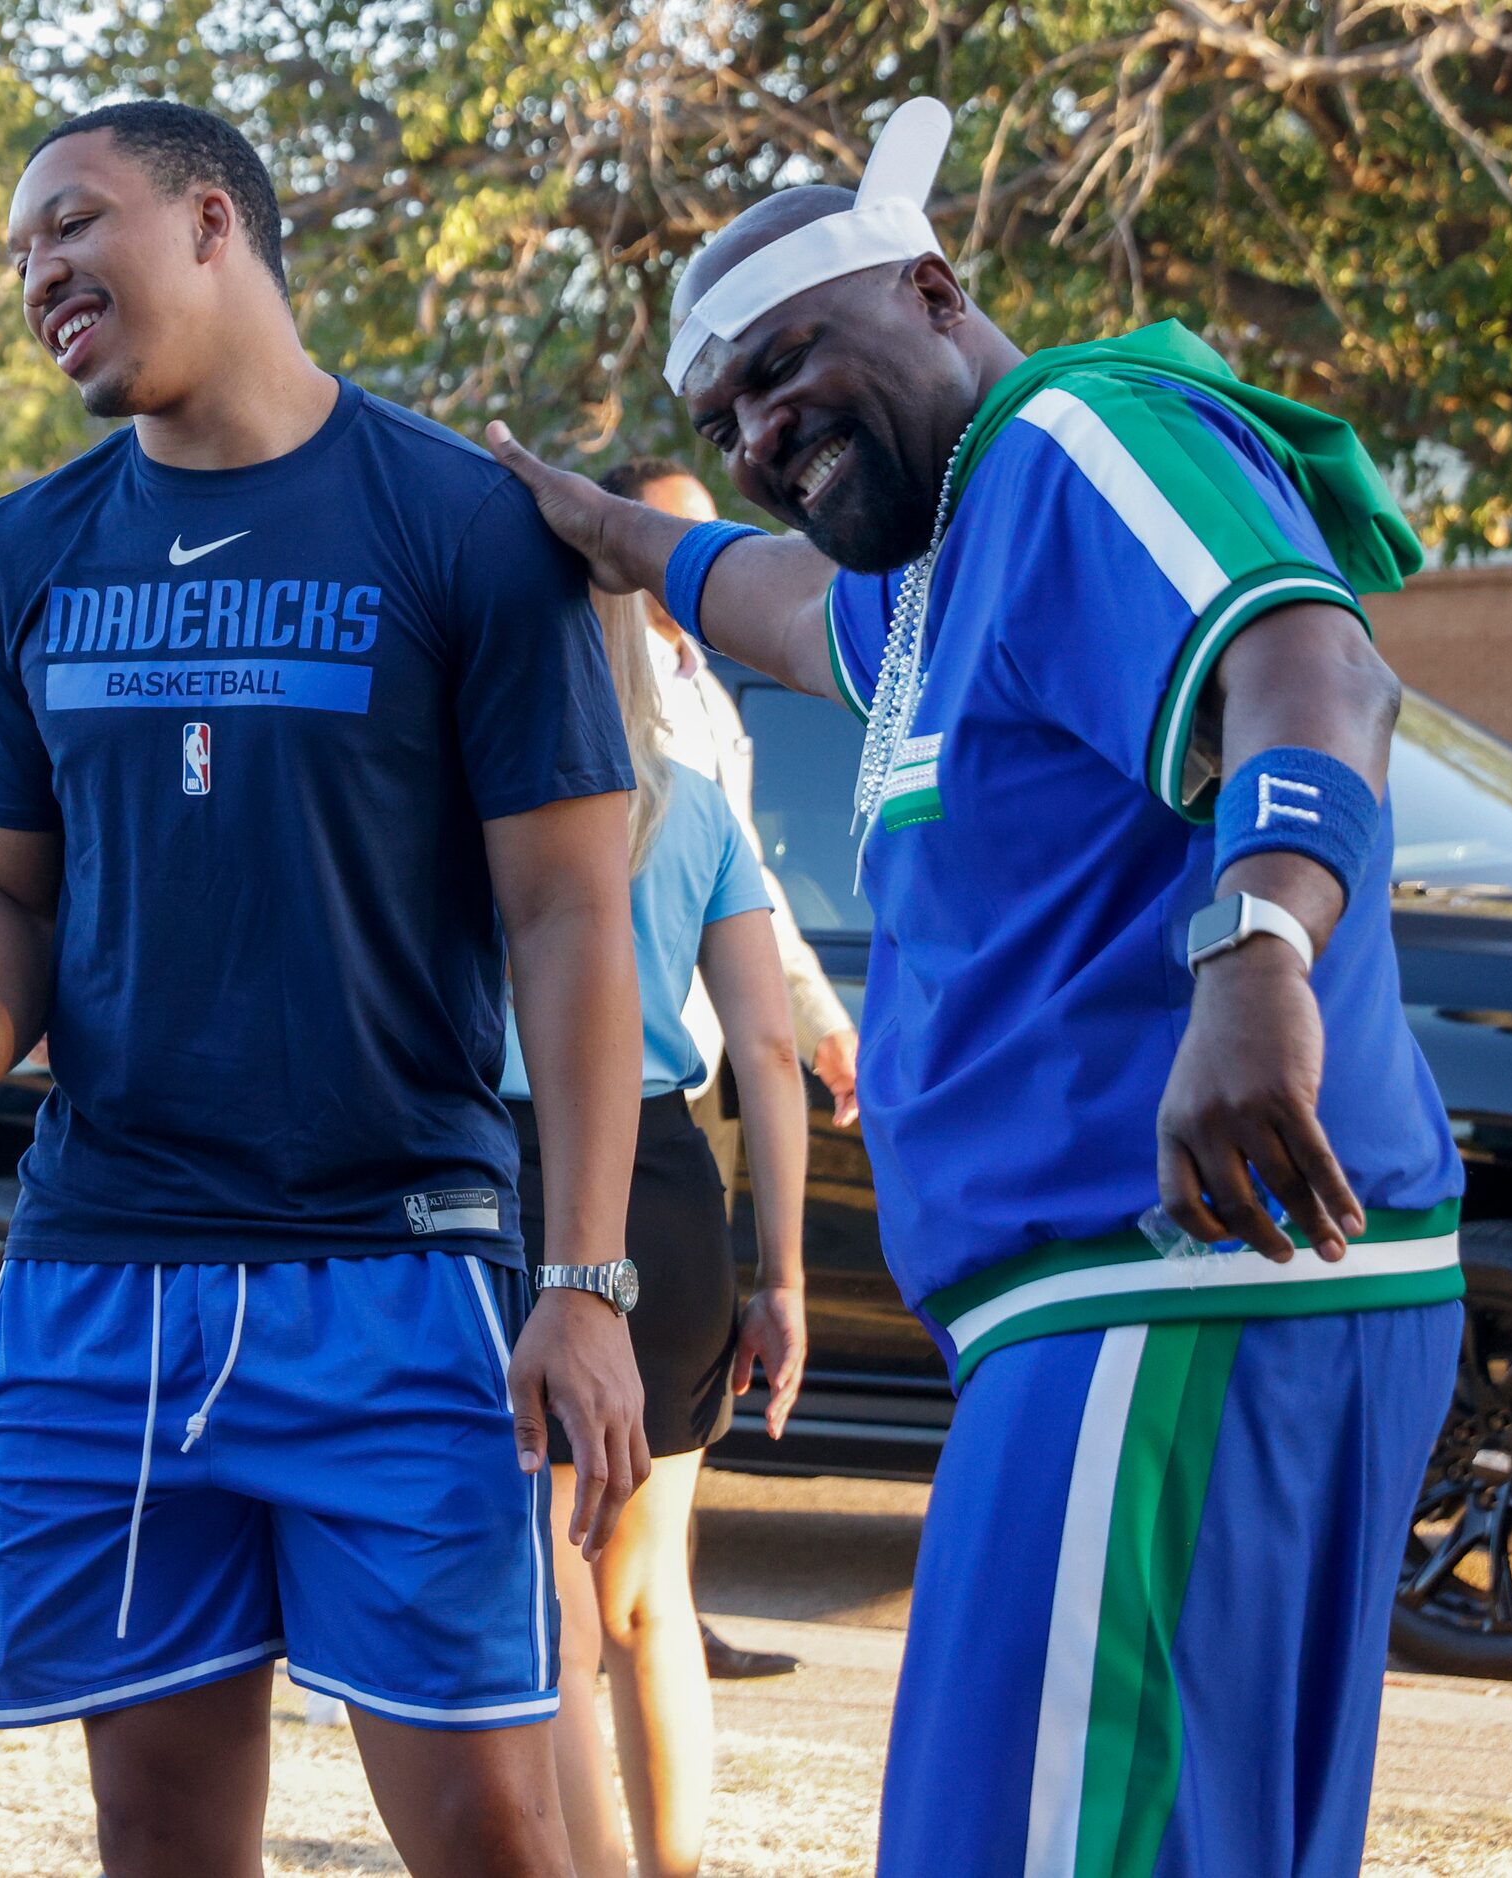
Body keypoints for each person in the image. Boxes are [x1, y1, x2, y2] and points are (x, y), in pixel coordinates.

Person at [487, 95, 1460, 1878]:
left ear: (933, 289)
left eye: (785, 367)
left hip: (1161, 1290)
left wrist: (1260, 953)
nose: (764, 434)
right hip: (1137, 1309)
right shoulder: (932, 578)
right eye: (723, 420)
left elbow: (1314, 669)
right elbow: (781, 606)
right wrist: (612, 535)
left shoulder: (1070, 438)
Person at [0, 101, 648, 1877]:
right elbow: (0, 878)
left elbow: (569, 913)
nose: (36, 277)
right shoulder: (28, 551)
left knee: (490, 1820)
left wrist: (584, 1276)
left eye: (69, 224)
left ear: (215, 220)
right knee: (153, 1821)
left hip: (392, 1267)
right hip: (105, 1273)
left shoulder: (460, 521)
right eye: (15, 256)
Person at [508, 623, 809, 1878]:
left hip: (522, 1183)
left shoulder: (479, 801)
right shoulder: (692, 811)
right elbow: (769, 1049)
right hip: (672, 1195)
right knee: (648, 1601)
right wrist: (782, 1274)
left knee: (551, 1605)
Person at [604, 454, 852, 1688]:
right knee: (598, 1565)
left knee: (590, 1562)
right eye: (661, 541)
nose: (688, 564)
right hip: (641, 1071)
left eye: (704, 539)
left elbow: (739, 881)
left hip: (686, 1066)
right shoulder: (616, 692)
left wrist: (812, 1015)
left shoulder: (707, 698)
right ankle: (658, 1616)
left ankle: (666, 1609)